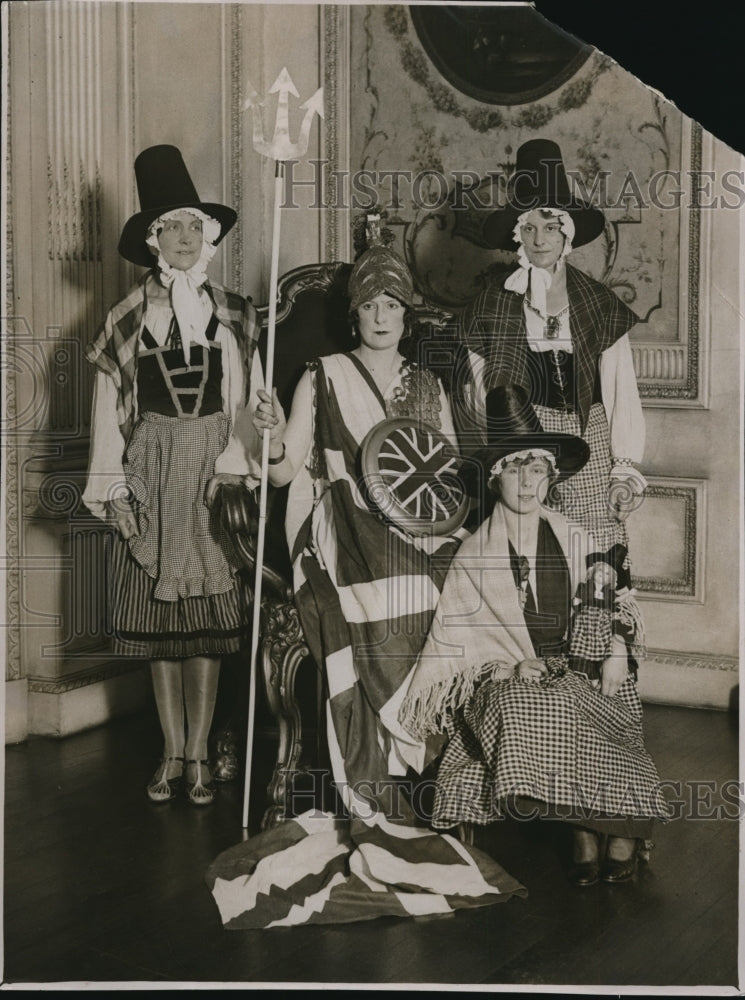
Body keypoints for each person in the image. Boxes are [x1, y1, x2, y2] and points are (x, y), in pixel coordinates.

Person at [206, 228, 527, 929]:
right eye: (370, 306)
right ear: (355, 314)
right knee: (395, 584)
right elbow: (289, 469)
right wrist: (266, 432)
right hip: (341, 524)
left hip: (416, 528)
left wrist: (444, 531)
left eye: (392, 305)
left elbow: (442, 477)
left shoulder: (428, 383)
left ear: (406, 314)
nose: (381, 317)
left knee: (451, 584)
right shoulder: (320, 375)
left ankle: (435, 779)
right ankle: (380, 792)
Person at [399, 385, 671, 887]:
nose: (527, 483)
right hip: (513, 679)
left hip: (581, 667)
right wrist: (504, 667)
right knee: (525, 704)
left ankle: (603, 825)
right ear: (496, 476)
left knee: (600, 698)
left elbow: (615, 603)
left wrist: (613, 651)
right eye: (515, 469)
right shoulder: (474, 555)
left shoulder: (576, 536)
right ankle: (592, 826)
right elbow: (457, 648)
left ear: (552, 476)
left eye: (538, 469)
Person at [83, 145, 262, 807]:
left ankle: (203, 756)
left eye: (193, 227)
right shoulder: (126, 319)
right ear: (153, 240)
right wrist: (113, 488)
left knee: (205, 629)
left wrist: (233, 469)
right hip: (152, 476)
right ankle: (172, 751)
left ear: (207, 236)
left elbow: (244, 406)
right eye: (171, 228)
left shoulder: (235, 314)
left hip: (210, 478)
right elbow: (109, 416)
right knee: (163, 631)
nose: (184, 239)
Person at [453, 138, 647, 551]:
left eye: (551, 227)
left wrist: (623, 469)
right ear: (516, 234)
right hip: (519, 444)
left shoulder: (596, 302)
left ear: (568, 233)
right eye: (529, 228)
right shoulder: (490, 306)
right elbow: (474, 401)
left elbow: (620, 390)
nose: (540, 240)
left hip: (588, 440)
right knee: (529, 556)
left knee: (595, 560)